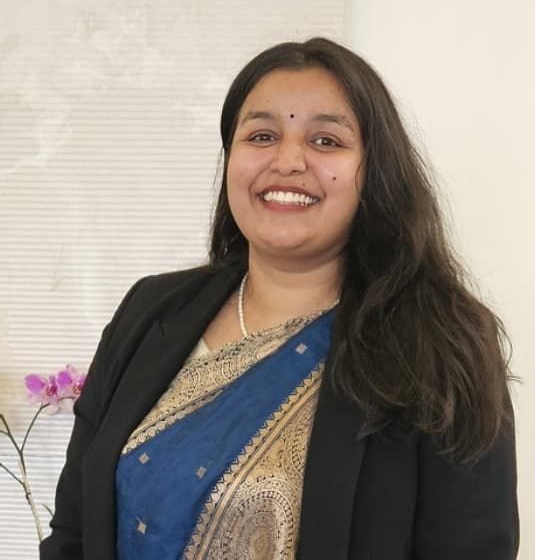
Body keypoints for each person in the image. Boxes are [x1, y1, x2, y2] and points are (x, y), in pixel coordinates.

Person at [40, 37, 519, 560]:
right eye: (262, 136)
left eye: (326, 141)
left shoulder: (438, 346)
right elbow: (73, 532)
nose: (288, 160)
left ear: (375, 170)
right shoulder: (150, 312)